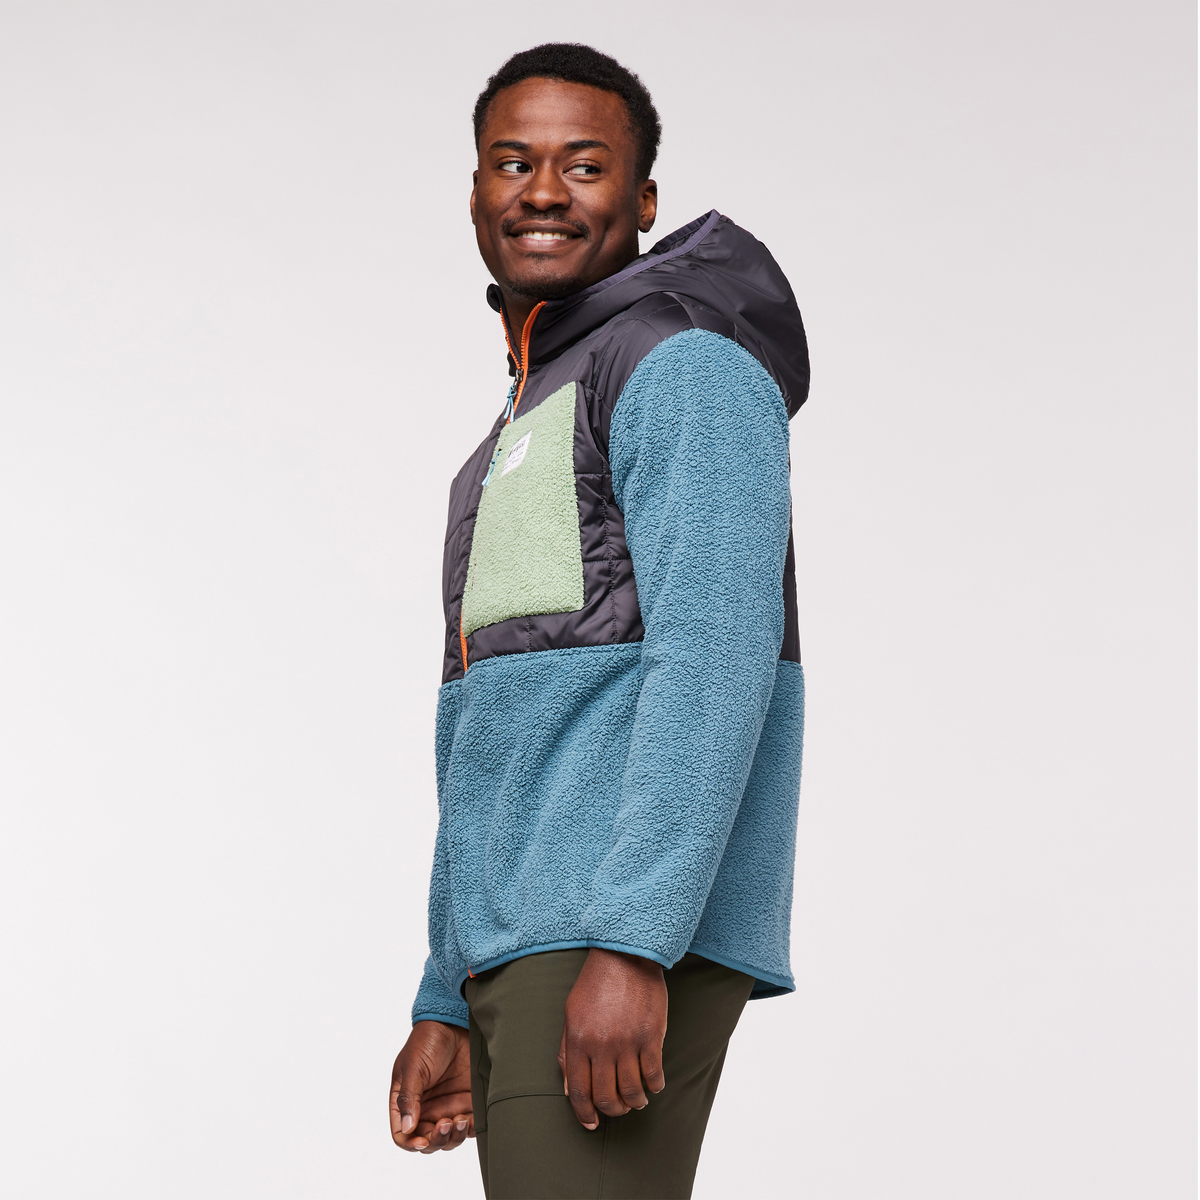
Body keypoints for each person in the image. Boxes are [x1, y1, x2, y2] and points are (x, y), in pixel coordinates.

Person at [389, 42, 809, 1200]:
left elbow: (715, 659)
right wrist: (445, 991)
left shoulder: (684, 368)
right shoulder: (516, 429)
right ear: (475, 191)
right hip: (526, 942)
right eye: (511, 162)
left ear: (644, 199)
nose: (542, 191)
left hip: (612, 932)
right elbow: (484, 734)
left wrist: (634, 939)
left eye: (583, 165)